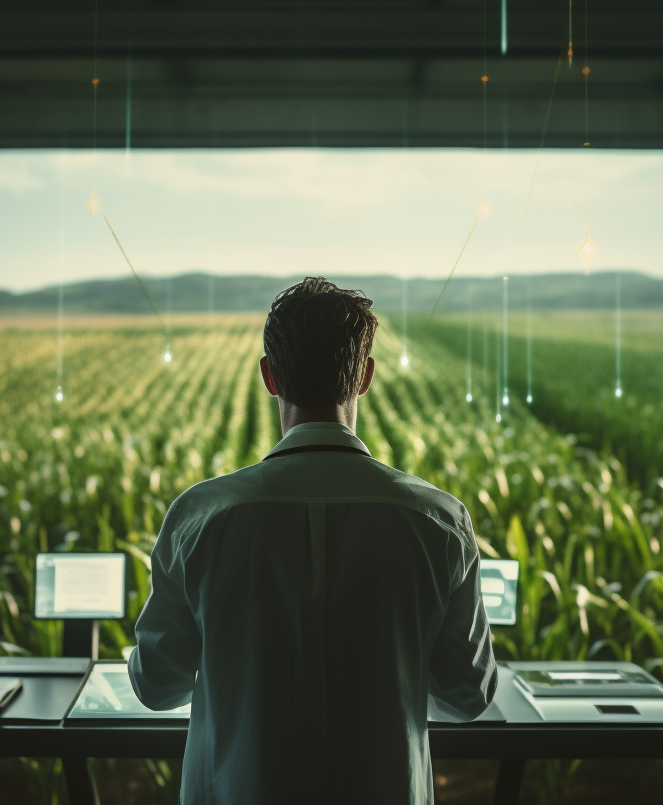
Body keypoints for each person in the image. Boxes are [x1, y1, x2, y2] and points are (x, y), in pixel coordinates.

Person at [129, 277, 497, 804]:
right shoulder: (438, 520)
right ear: (365, 376)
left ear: (269, 376)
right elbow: (469, 695)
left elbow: (156, 686)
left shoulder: (199, 516)